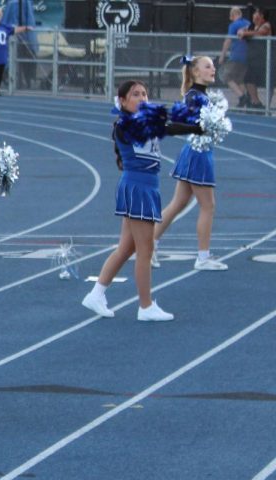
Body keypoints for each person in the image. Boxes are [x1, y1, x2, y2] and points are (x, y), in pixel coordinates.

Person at [81, 81, 203, 323]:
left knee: (127, 248)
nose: (142, 97)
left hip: (146, 186)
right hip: (138, 187)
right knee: (145, 250)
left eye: (145, 93)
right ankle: (145, 306)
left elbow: (168, 127)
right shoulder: (124, 125)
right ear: (123, 101)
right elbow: (158, 127)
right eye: (135, 94)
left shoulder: (146, 123)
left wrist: (197, 127)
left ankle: (96, 294)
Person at [153, 57, 229, 272]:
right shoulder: (195, 96)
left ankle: (149, 246)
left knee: (178, 203)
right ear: (195, 72)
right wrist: (204, 127)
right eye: (207, 66)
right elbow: (187, 124)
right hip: (198, 154)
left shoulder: (202, 95)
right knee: (208, 206)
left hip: (195, 151)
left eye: (213, 66)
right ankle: (202, 257)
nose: (213, 69)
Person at [239, 7, 272, 110]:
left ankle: (267, 106)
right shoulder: (252, 26)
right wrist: (242, 31)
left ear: (261, 16)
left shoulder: (266, 25)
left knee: (270, 82)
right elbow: (243, 31)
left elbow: (260, 33)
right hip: (254, 60)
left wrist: (245, 33)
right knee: (248, 79)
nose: (253, 16)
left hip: (267, 58)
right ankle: (256, 103)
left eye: (256, 14)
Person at [220, 7, 251, 106]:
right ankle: (246, 99)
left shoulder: (234, 25)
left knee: (226, 76)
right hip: (247, 54)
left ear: (233, 15)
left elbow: (228, 40)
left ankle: (242, 97)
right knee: (239, 79)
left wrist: (222, 55)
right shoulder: (248, 23)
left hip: (237, 54)